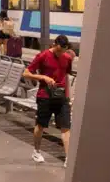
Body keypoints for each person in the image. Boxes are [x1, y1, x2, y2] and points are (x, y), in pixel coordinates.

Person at [24, 35, 75, 166]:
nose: (60, 53)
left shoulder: (67, 58)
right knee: (41, 125)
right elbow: (26, 73)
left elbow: (66, 76)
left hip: (61, 97)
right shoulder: (43, 56)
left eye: (63, 51)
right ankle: (36, 150)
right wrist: (43, 77)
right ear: (54, 45)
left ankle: (68, 158)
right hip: (45, 96)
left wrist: (68, 96)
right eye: (58, 50)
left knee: (65, 127)